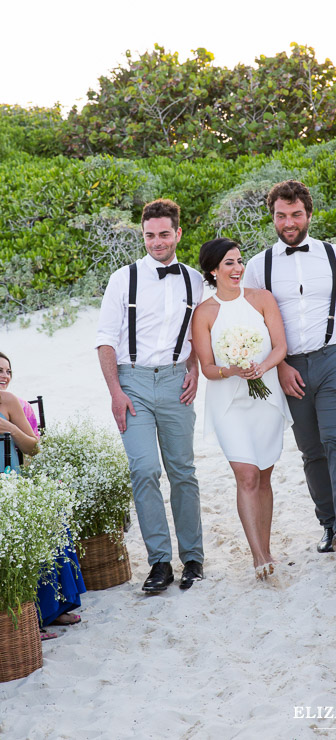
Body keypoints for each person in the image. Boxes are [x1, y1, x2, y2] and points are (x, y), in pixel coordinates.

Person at [243, 180, 336, 558]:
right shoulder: (258, 265)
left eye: (296, 214)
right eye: (281, 216)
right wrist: (279, 369)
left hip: (333, 358)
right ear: (274, 218)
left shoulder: (335, 256)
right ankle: (329, 525)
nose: (289, 222)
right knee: (311, 450)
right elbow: (254, 326)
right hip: (288, 367)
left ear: (309, 214)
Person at [96, 198, 204, 592]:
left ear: (177, 233)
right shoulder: (122, 279)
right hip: (133, 384)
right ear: (142, 236)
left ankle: (193, 557)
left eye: (163, 235)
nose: (157, 242)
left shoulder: (195, 279)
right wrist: (115, 391)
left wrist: (193, 370)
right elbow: (106, 340)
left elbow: (200, 335)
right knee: (144, 470)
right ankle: (159, 562)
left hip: (178, 382)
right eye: (149, 236)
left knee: (183, 472)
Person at [192, 238, 292, 580]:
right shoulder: (204, 313)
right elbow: (206, 367)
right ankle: (258, 555)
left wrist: (261, 368)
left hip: (266, 398)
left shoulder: (262, 299)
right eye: (229, 264)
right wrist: (233, 369)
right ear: (213, 270)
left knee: (264, 474)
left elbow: (281, 346)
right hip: (229, 404)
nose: (237, 269)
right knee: (247, 475)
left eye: (239, 262)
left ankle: (266, 545)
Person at [0, 351, 85, 640]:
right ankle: (26, 624)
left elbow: (33, 448)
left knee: (53, 524)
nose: (4, 376)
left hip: (13, 484)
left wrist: (10, 428)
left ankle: (53, 608)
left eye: (8, 371)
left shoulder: (9, 402)